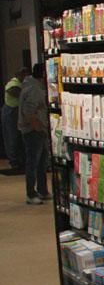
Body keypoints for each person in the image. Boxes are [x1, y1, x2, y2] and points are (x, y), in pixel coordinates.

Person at [18, 63, 50, 204]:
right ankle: (31, 194)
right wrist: (38, 127)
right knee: (33, 162)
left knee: (42, 162)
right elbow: (28, 112)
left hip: (37, 130)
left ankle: (42, 190)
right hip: (33, 131)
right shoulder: (33, 89)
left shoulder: (31, 85)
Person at [3, 67, 28, 170]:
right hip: (11, 112)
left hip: (17, 111)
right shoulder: (13, 84)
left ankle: (20, 159)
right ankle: (14, 160)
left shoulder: (21, 84)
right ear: (20, 75)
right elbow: (16, 93)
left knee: (19, 135)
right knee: (12, 136)